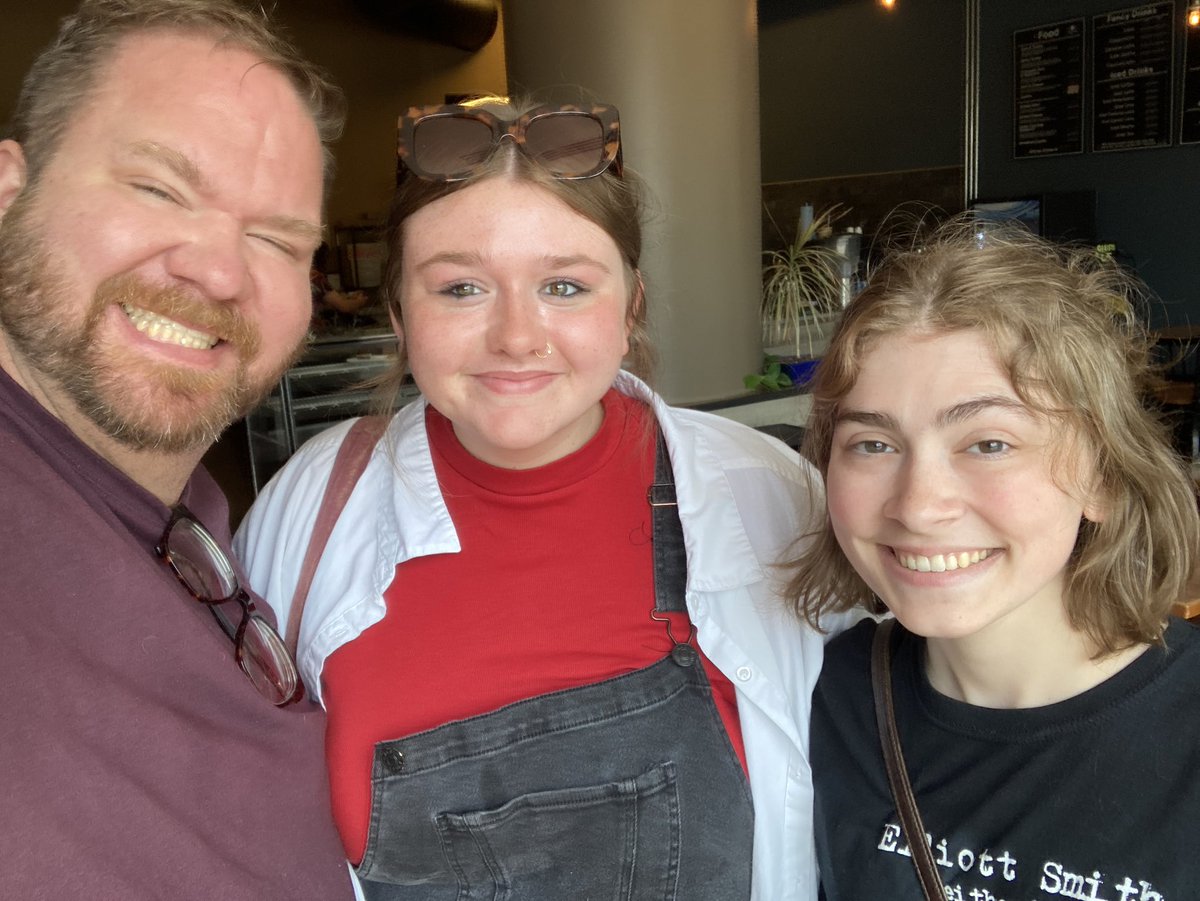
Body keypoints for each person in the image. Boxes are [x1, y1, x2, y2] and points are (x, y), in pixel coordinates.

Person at [235, 96, 844, 900]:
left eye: (563, 285)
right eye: (459, 289)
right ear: (397, 313)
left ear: (629, 309)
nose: (517, 336)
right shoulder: (310, 511)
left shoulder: (766, 495)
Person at [0, 1, 357, 897]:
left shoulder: (190, 513)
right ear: (9, 192)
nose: (220, 269)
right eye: (158, 188)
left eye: (277, 239)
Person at [786, 221, 1200, 899]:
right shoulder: (819, 697)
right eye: (872, 444)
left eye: (988, 443)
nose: (918, 506)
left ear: (1103, 474)